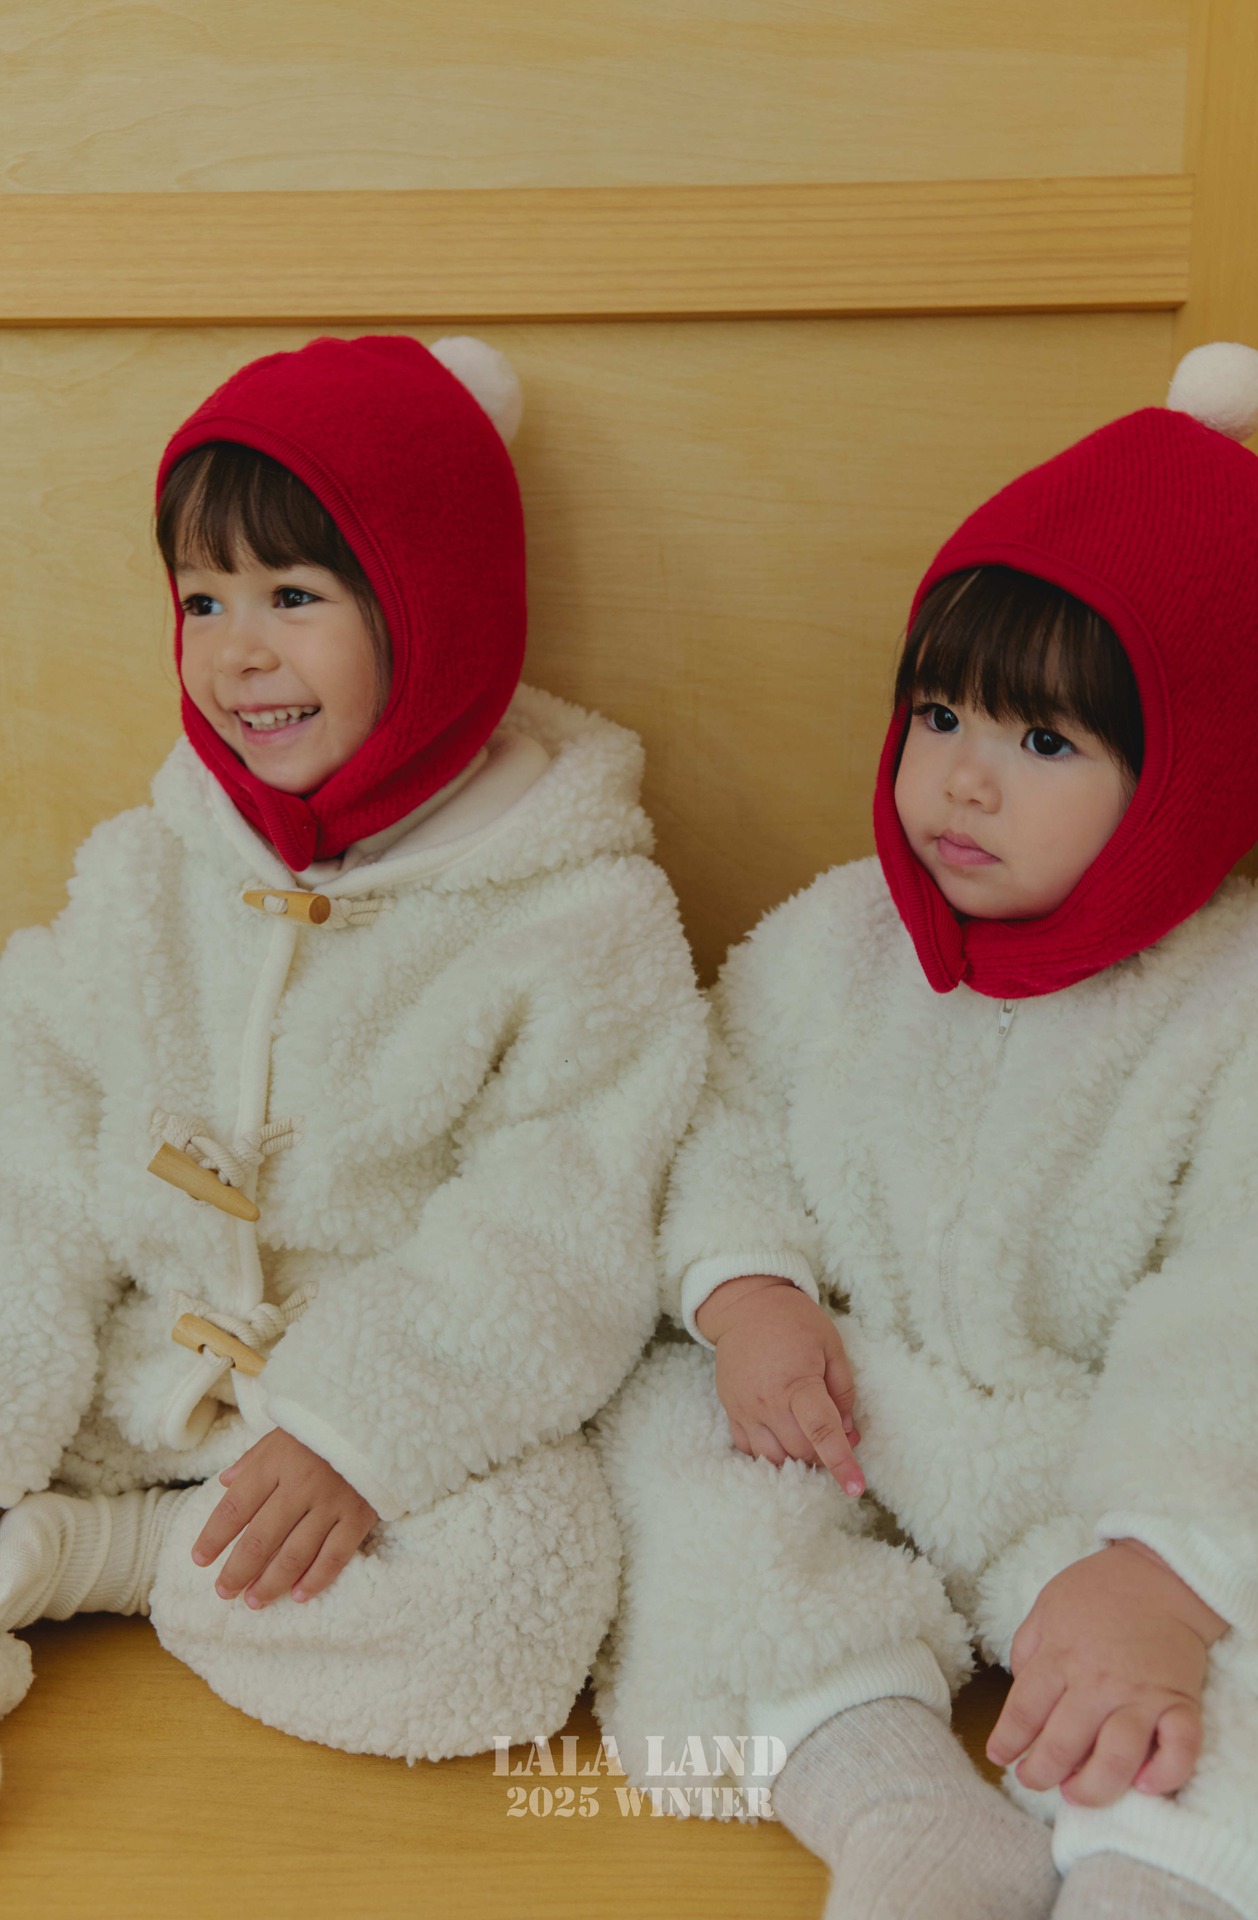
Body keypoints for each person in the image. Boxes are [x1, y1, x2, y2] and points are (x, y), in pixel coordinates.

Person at [592, 343, 1258, 1920]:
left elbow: (1251, 1297)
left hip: (1102, 1472)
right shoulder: (836, 940)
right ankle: (893, 1800)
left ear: (1188, 776)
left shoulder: (1246, 999)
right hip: (857, 1419)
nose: (963, 779)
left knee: (1239, 1648)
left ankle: (1156, 1872)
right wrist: (749, 1290)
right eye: (943, 711)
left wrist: (1164, 1567)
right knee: (672, 1454)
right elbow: (718, 1111)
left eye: (1045, 743)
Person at [0, 332, 706, 1772]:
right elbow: (34, 1134)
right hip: (137, 1368)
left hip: (391, 1423)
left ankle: (110, 1558)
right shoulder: (152, 865)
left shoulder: (581, 914)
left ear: (430, 612)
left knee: (512, 1605)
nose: (237, 651)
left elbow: (561, 1227)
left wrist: (358, 1427)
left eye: (294, 597)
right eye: (202, 600)